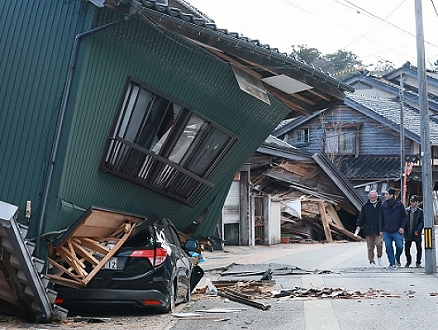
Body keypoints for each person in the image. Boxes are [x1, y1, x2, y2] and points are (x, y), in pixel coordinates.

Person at [379, 187, 407, 269]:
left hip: (397, 230)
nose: (385, 196)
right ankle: (392, 263)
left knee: (400, 246)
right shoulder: (383, 206)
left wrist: (402, 227)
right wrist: (381, 229)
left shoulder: (399, 204)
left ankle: (397, 257)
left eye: (386, 194)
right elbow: (380, 218)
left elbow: (405, 217)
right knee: (388, 247)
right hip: (387, 230)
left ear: (391, 195)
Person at [355, 190, 383, 266]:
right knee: (370, 247)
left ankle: (379, 256)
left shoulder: (382, 205)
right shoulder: (365, 206)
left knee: (379, 243)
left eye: (374, 197)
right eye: (371, 197)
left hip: (379, 228)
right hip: (368, 228)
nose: (372, 199)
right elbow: (361, 217)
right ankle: (371, 261)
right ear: (369, 197)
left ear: (377, 197)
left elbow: (384, 217)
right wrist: (359, 225)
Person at [404, 195, 424, 267]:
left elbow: (422, 222)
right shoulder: (406, 211)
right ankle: (408, 261)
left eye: (414, 202)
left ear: (417, 202)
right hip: (408, 232)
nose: (412, 203)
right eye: (411, 201)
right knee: (406, 248)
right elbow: (404, 221)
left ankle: (418, 262)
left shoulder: (420, 212)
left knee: (419, 248)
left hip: (416, 232)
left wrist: (418, 230)